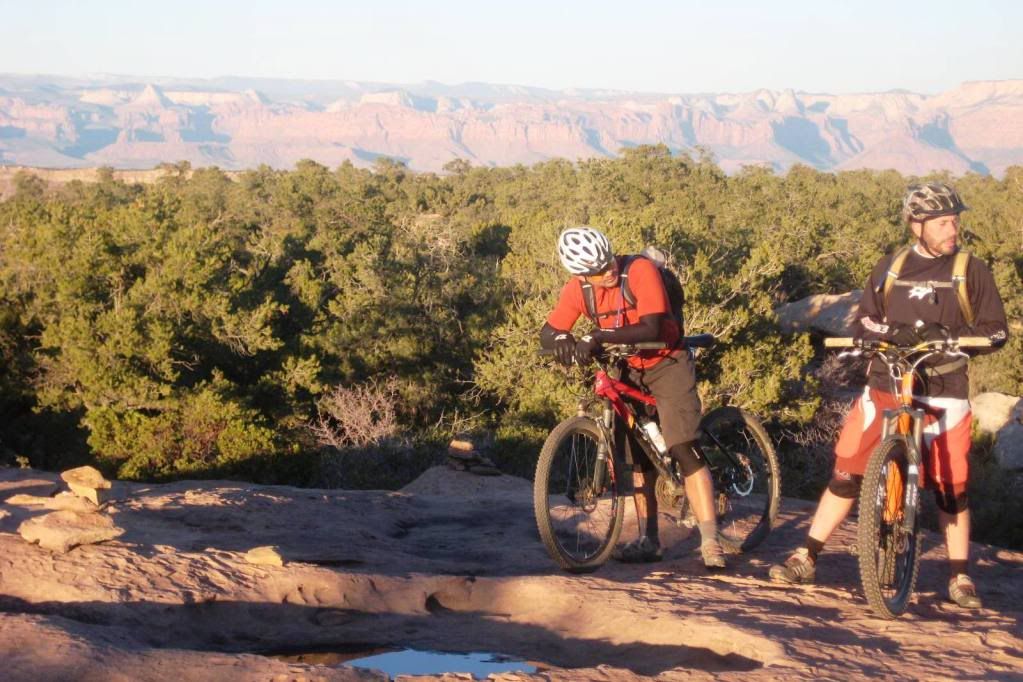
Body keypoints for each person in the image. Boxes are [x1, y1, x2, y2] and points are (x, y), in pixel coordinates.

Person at [769, 183, 1009, 609]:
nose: (953, 228)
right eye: (942, 222)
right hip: (886, 382)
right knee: (846, 473)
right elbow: (865, 321)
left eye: (954, 220)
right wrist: (889, 333)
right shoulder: (891, 267)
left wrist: (952, 337)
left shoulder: (971, 270)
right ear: (917, 225)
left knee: (952, 488)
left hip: (944, 389)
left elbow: (997, 331)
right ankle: (806, 555)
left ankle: (959, 575)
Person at [539, 226, 727, 569]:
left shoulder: (639, 270)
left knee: (683, 447)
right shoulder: (578, 290)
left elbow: (652, 326)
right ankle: (649, 541)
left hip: (667, 361)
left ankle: (711, 540)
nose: (608, 270)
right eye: (598, 270)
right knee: (638, 459)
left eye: (609, 260)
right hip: (626, 366)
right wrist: (562, 340)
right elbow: (549, 332)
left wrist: (597, 336)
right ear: (581, 275)